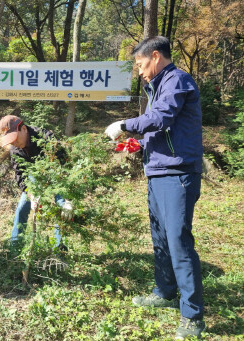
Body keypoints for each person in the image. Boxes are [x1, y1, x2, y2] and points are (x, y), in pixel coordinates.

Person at [105, 36, 204, 339]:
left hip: (177, 172)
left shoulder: (177, 80)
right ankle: (164, 292)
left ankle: (192, 316)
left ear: (156, 56)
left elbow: (160, 118)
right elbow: (159, 130)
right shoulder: (158, 87)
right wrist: (135, 145)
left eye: (139, 63)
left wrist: (123, 124)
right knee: (160, 237)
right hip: (159, 172)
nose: (139, 71)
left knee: (178, 240)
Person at [0, 115, 73, 249]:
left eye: (14, 138)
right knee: (22, 207)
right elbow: (20, 175)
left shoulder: (46, 137)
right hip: (33, 176)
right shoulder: (15, 149)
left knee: (61, 206)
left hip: (55, 172)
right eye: (9, 140)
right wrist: (31, 194)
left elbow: (64, 162)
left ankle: (60, 247)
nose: (13, 142)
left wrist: (67, 197)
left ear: (24, 129)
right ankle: (15, 246)